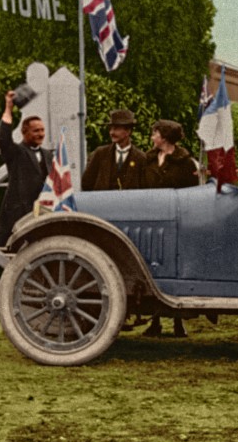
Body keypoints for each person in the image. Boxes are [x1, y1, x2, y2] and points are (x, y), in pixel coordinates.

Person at [141, 119, 198, 337]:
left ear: (164, 137)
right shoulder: (148, 159)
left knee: (173, 269)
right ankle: (155, 321)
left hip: (176, 222)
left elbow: (192, 193)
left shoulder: (185, 162)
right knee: (153, 269)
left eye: (155, 134)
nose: (152, 137)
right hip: (152, 220)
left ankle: (177, 323)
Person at [0, 90, 52, 246]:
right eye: (36, 131)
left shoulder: (48, 155)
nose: (41, 134)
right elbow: (3, 139)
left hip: (42, 214)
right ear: (24, 132)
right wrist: (8, 108)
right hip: (18, 215)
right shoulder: (16, 152)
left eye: (42, 130)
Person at [82, 109, 146, 191]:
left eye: (116, 129)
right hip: (103, 202)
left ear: (128, 131)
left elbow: (145, 189)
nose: (111, 132)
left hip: (130, 203)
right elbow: (86, 183)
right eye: (110, 129)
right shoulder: (100, 154)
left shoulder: (140, 158)